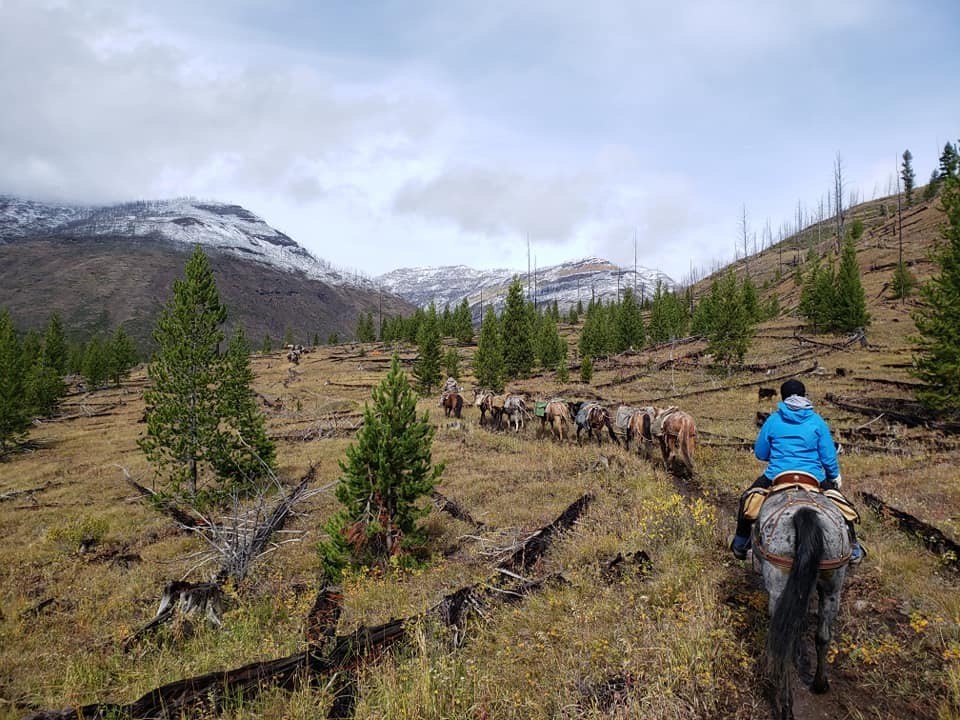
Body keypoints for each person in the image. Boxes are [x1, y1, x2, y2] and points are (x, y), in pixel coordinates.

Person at [730, 378, 866, 564]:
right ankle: (854, 546)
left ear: (783, 396)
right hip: (814, 478)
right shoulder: (817, 421)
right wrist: (834, 475)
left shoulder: (773, 419)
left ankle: (740, 543)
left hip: (777, 476)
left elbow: (761, 453)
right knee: (842, 505)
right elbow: (827, 455)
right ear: (804, 395)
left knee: (747, 498)